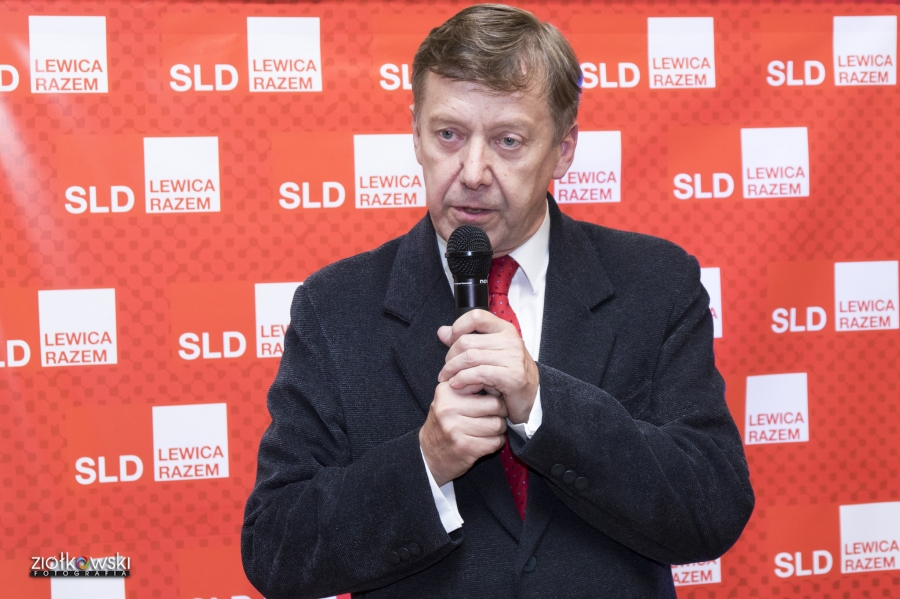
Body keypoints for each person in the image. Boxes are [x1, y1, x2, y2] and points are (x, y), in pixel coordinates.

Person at [241, 4, 754, 598]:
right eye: (449, 135)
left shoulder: (656, 282)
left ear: (564, 148)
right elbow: (275, 549)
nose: (473, 171)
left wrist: (543, 404)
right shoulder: (335, 307)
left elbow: (713, 508)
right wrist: (426, 462)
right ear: (415, 134)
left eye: (508, 141)